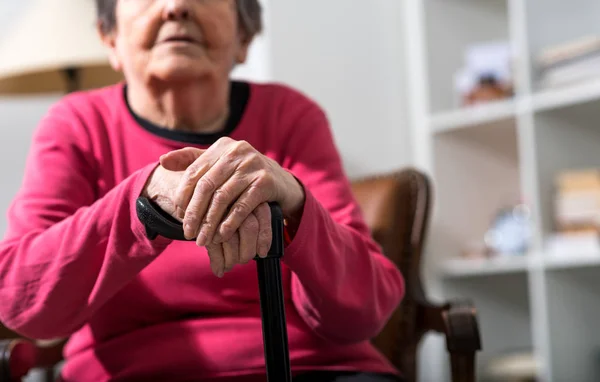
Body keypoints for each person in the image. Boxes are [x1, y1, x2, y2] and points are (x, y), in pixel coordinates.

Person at [0, 1, 406, 381]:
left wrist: (296, 202)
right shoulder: (77, 125)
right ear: (110, 39)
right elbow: (21, 301)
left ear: (244, 39)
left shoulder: (291, 115)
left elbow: (366, 310)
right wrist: (145, 200)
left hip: (311, 368)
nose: (176, 6)